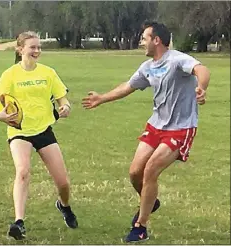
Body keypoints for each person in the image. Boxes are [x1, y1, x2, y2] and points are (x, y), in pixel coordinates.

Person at [82, 22, 210, 242]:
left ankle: (140, 227)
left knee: (150, 170)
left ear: (156, 40)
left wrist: (202, 86)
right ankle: (150, 201)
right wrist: (102, 98)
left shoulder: (177, 59)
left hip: (180, 128)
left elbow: (201, 70)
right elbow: (128, 86)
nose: (142, 42)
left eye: (144, 38)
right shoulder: (148, 67)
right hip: (155, 125)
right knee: (134, 173)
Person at [0, 31, 78, 240]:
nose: (37, 51)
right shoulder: (9, 75)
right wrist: (0, 116)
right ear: (20, 49)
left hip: (44, 131)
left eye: (39, 47)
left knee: (63, 183)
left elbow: (63, 101)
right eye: (32, 47)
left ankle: (64, 206)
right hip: (19, 132)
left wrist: (65, 108)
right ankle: (19, 222)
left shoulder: (48, 73)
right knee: (22, 172)